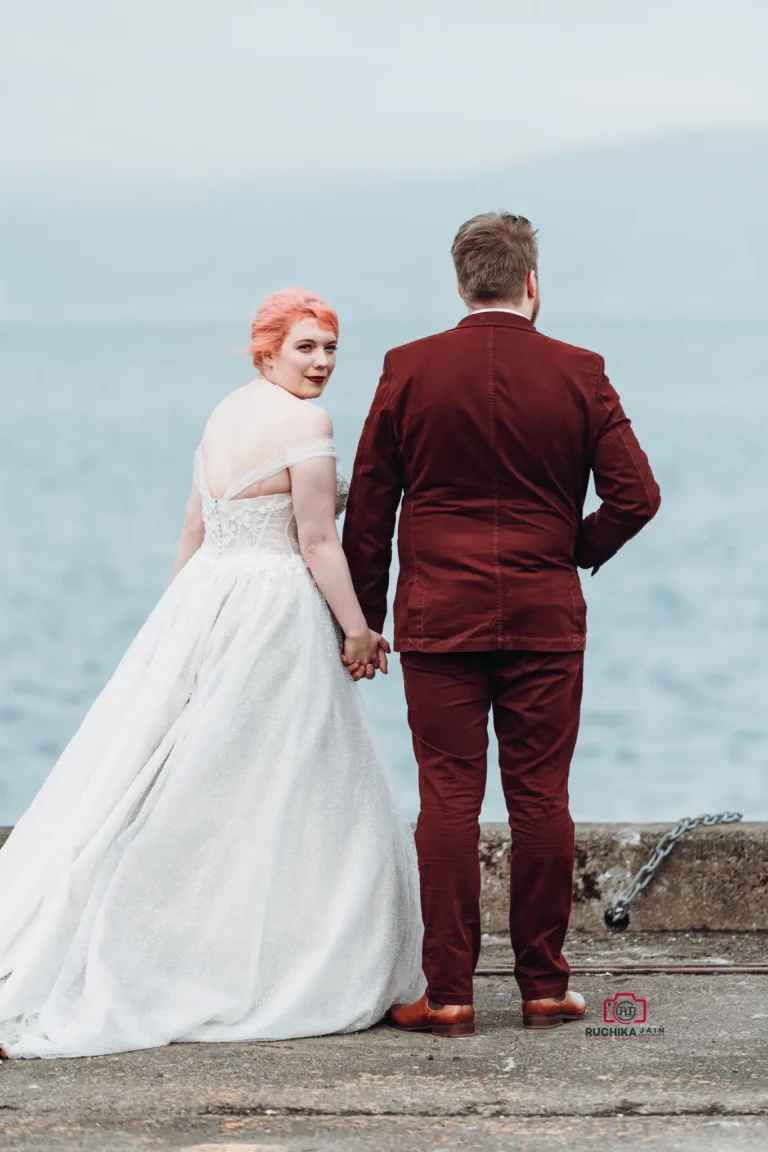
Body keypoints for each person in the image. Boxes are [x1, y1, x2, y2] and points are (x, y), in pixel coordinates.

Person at [0, 289, 423, 1060]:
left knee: (195, 775)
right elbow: (319, 541)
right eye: (306, 348)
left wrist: (179, 629)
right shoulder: (308, 424)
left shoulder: (222, 413)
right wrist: (359, 629)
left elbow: (194, 531)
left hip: (207, 596)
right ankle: (273, 953)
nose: (323, 364)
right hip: (273, 606)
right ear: (265, 351)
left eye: (331, 349)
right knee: (291, 777)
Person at [342, 213, 661, 1035]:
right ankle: (544, 988)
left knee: (447, 797)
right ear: (531, 283)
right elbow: (637, 496)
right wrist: (570, 549)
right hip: (544, 615)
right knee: (540, 797)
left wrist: (363, 622)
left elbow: (370, 509)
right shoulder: (579, 370)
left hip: (438, 619)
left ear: (460, 284)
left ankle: (447, 994)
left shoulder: (407, 369)